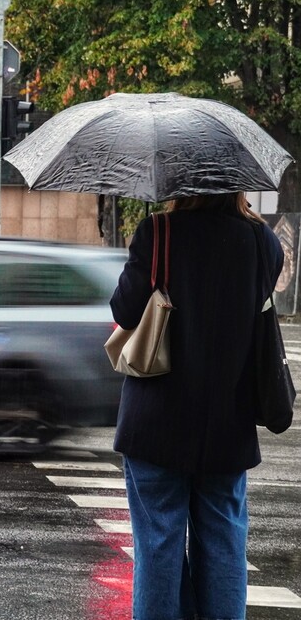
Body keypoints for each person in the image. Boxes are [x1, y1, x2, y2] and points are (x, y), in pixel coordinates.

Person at [110, 192, 283, 620]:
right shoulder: (263, 242)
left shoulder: (160, 232)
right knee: (225, 546)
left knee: (158, 549)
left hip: (156, 424)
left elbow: (124, 309)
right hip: (228, 425)